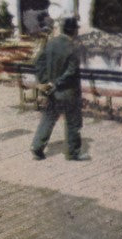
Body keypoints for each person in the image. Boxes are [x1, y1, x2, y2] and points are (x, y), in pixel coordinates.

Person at [31, 15, 87, 161]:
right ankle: (73, 152)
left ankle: (37, 147)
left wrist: (45, 82)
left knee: (48, 118)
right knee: (73, 122)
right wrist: (56, 83)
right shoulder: (73, 47)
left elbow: (38, 62)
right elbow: (71, 72)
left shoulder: (51, 43)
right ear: (74, 31)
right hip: (69, 92)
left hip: (52, 92)